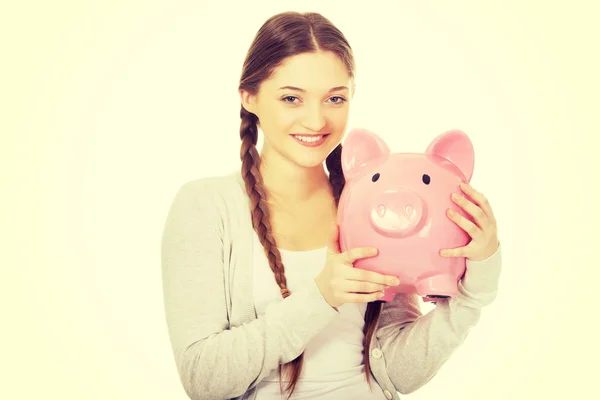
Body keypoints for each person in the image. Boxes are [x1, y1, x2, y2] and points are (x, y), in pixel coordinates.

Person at [160, 10, 502, 400]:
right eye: (292, 98)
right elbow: (203, 380)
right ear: (249, 97)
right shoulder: (205, 206)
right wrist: (321, 296)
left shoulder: (366, 206)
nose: (315, 119)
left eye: (334, 98)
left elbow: (397, 373)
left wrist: (475, 286)